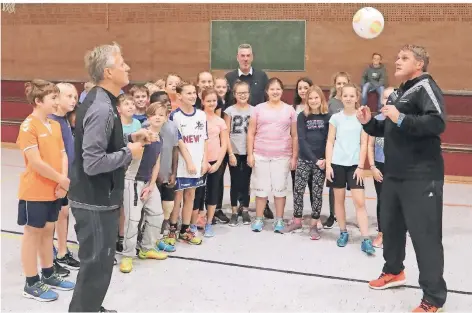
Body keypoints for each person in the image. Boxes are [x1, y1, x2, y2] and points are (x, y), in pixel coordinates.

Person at [358, 45, 447, 312]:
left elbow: (437, 123)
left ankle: (433, 297)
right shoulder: (398, 92)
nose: (397, 61)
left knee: (425, 236)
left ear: (419, 64)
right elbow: (389, 126)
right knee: (391, 228)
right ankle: (394, 271)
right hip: (394, 175)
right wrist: (368, 123)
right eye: (397, 57)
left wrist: (401, 118)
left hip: (421, 176)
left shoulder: (425, 87)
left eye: (404, 58)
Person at [67, 42, 154, 313]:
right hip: (93, 201)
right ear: (108, 72)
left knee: (101, 265)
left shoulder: (102, 101)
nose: (127, 67)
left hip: (98, 199)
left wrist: (129, 137)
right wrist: (130, 151)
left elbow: (101, 144)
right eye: (122, 63)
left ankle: (92, 307)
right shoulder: (102, 108)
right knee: (95, 266)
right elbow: (93, 163)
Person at [17, 79, 76, 302]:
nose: (57, 101)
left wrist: (62, 182)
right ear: (38, 101)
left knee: (48, 232)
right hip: (35, 190)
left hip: (54, 189)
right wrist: (61, 178)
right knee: (33, 234)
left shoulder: (54, 125)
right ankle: (31, 282)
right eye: (53, 98)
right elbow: (35, 162)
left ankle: (48, 273)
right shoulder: (28, 126)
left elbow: (62, 154)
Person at [325, 83, 375, 256]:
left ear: (357, 97)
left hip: (355, 166)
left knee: (359, 202)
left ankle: (366, 238)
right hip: (337, 164)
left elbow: (364, 143)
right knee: (338, 201)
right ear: (340, 96)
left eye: (351, 96)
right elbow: (330, 141)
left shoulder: (362, 117)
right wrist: (329, 165)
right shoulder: (335, 118)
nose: (348, 98)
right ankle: (343, 232)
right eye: (345, 95)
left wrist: (361, 166)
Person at [119, 102, 169, 274]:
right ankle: (127, 255)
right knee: (132, 221)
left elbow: (156, 163)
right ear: (148, 117)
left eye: (161, 114)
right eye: (154, 114)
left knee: (157, 215)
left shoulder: (160, 138)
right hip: (133, 181)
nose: (158, 117)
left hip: (149, 183)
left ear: (165, 118)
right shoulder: (143, 135)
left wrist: (152, 184)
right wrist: (142, 140)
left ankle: (147, 248)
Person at [225, 43, 273, 219]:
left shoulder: (261, 76)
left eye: (248, 55)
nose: (245, 58)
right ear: (237, 57)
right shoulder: (229, 77)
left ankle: (263, 205)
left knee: (258, 176)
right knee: (238, 178)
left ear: (252, 57)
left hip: (256, 138)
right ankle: (237, 207)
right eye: (242, 55)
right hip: (236, 140)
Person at [247, 78, 297, 233]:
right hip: (260, 154)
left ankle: (279, 219)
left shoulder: (290, 110)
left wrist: (294, 156)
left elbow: (294, 135)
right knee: (260, 189)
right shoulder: (258, 109)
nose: (275, 92)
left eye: (278, 89)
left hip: (282, 156)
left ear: (282, 91)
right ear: (267, 91)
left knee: (280, 189)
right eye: (272, 89)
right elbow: (251, 133)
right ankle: (259, 218)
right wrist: (250, 154)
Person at [283, 86, 330, 239]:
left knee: (316, 193)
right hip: (305, 160)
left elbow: (329, 140)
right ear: (307, 100)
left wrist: (323, 159)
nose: (314, 100)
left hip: (321, 162)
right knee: (298, 190)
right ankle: (297, 220)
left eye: (316, 97)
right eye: (311, 98)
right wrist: (314, 160)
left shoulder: (327, 116)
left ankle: (314, 225)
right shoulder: (302, 116)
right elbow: (301, 139)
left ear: (321, 99)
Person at [49, 83, 80, 275]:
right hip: (54, 180)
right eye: (68, 96)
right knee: (50, 218)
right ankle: (49, 258)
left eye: (75, 97)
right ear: (56, 98)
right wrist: (59, 179)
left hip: (66, 178)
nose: (73, 100)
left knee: (63, 214)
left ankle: (62, 251)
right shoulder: (51, 122)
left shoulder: (65, 120)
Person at [191, 89, 228, 237]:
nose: (212, 103)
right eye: (209, 101)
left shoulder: (220, 121)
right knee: (197, 193)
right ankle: (193, 223)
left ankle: (209, 223)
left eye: (214, 100)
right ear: (203, 101)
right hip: (200, 161)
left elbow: (224, 143)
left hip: (215, 162)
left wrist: (218, 162)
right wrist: (203, 162)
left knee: (213, 193)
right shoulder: (198, 118)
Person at [367, 86, 395, 249]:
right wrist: (372, 166)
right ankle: (382, 233)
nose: (388, 100)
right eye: (385, 97)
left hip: (397, 167)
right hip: (380, 166)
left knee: (398, 201)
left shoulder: (402, 120)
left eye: (391, 97)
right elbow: (370, 145)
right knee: (383, 200)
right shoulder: (377, 120)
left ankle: (397, 233)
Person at [224, 80, 253, 226]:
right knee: (234, 182)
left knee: (246, 182)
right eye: (239, 93)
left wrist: (251, 153)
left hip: (248, 152)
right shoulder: (229, 111)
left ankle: (245, 210)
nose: (242, 95)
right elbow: (226, 133)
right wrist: (230, 153)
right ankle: (234, 211)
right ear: (235, 94)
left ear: (249, 94)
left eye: (245, 92)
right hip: (234, 152)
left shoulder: (254, 110)